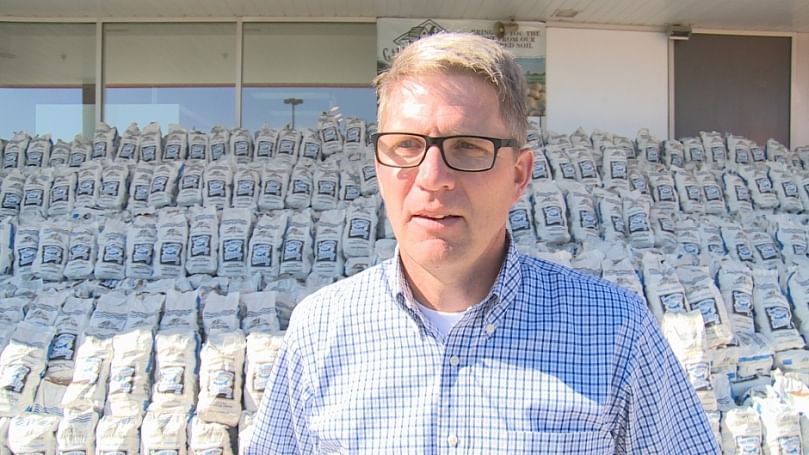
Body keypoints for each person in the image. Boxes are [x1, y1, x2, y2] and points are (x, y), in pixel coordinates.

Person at [247, 32, 720, 454]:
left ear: (519, 175)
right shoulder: (319, 331)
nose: (432, 179)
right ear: (378, 166)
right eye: (406, 146)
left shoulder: (616, 332)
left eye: (468, 147)